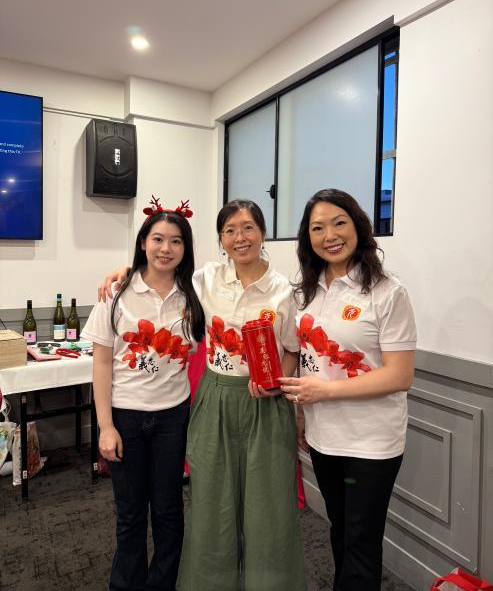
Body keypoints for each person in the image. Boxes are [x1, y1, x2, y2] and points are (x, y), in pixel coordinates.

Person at [99, 199, 306, 591]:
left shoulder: (284, 291)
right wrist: (127, 270)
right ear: (221, 239)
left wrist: (277, 381)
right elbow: (161, 268)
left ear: (263, 233)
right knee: (212, 503)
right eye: (230, 230)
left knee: (267, 505)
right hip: (214, 399)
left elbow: (293, 349)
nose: (239, 237)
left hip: (265, 402)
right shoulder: (204, 280)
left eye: (248, 228)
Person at [279, 188, 417, 591]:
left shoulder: (387, 292)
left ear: (358, 226)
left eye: (339, 223)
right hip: (324, 435)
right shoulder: (307, 292)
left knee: (361, 541)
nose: (330, 235)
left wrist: (325, 392)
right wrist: (302, 414)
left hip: (371, 441)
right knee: (339, 530)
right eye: (317, 228)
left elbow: (399, 376)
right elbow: (307, 359)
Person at [82, 197, 205, 591]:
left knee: (169, 510)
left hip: (173, 417)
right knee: (130, 513)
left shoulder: (195, 293)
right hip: (125, 418)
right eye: (158, 239)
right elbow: (102, 364)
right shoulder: (117, 294)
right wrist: (105, 427)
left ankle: (162, 583)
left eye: (176, 241)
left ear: (185, 248)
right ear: (142, 243)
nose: (166, 248)